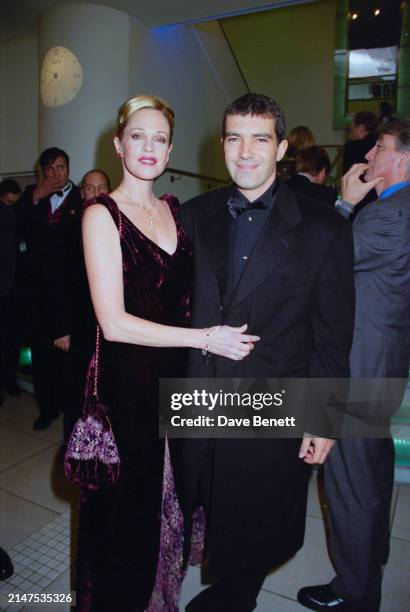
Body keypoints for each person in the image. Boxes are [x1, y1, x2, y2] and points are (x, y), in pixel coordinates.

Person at [75, 94, 258, 612]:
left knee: (171, 506)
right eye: (138, 135)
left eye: (159, 138)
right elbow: (112, 323)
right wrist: (205, 338)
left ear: (171, 148)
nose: (149, 146)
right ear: (118, 143)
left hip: (178, 379)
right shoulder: (100, 215)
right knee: (127, 517)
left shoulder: (177, 211)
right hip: (126, 386)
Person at [178, 93, 355, 612]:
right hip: (195, 390)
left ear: (281, 148)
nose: (246, 151)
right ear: (222, 146)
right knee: (196, 498)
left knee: (258, 513)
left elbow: (332, 335)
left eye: (260, 139)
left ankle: (236, 597)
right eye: (235, 137)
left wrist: (324, 421)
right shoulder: (191, 215)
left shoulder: (325, 228)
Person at [298, 119, 410, 611]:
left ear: (403, 159)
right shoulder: (392, 208)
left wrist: (343, 201)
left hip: (361, 367)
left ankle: (355, 591)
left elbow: (326, 259)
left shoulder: (389, 216)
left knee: (349, 483)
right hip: (379, 362)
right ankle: (370, 561)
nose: (369, 155)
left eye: (380, 147)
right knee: (370, 471)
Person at [19, 148, 83, 431]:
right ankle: (46, 409)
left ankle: (71, 411)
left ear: (69, 169)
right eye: (50, 169)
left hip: (69, 293)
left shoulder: (83, 198)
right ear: (43, 171)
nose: (56, 174)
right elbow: (15, 228)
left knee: (67, 360)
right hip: (36, 293)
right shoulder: (31, 196)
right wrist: (35, 197)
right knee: (40, 353)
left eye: (61, 168)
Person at [0, 179, 22, 403]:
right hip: (7, 290)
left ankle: (9, 381)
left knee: (12, 340)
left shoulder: (12, 216)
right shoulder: (8, 216)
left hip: (13, 291)